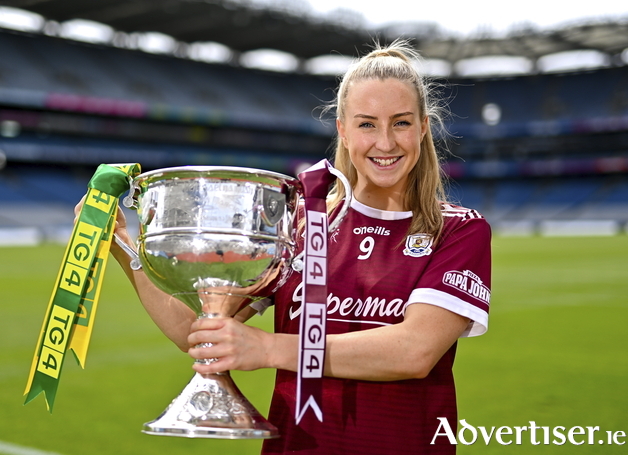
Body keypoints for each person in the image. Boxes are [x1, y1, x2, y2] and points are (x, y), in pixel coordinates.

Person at [83, 40, 491, 454]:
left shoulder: (458, 231)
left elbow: (414, 352)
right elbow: (200, 329)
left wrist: (266, 348)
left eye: (401, 123)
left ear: (423, 127)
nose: (385, 142)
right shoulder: (300, 226)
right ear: (343, 131)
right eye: (367, 124)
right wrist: (121, 245)